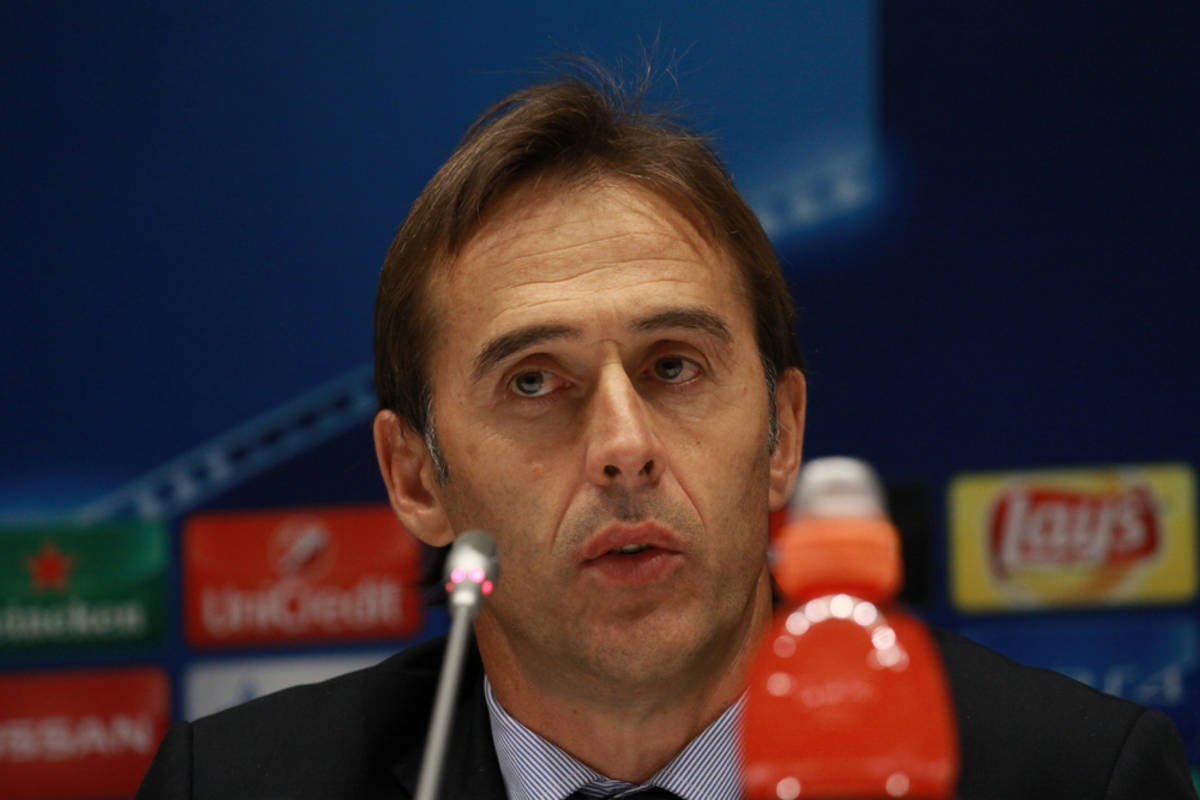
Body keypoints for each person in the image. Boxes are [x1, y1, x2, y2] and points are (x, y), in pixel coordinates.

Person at [137, 73, 1197, 800]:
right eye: (534, 380)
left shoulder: (1067, 777)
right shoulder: (233, 786)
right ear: (416, 477)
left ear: (782, 432)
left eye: (674, 366)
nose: (624, 444)